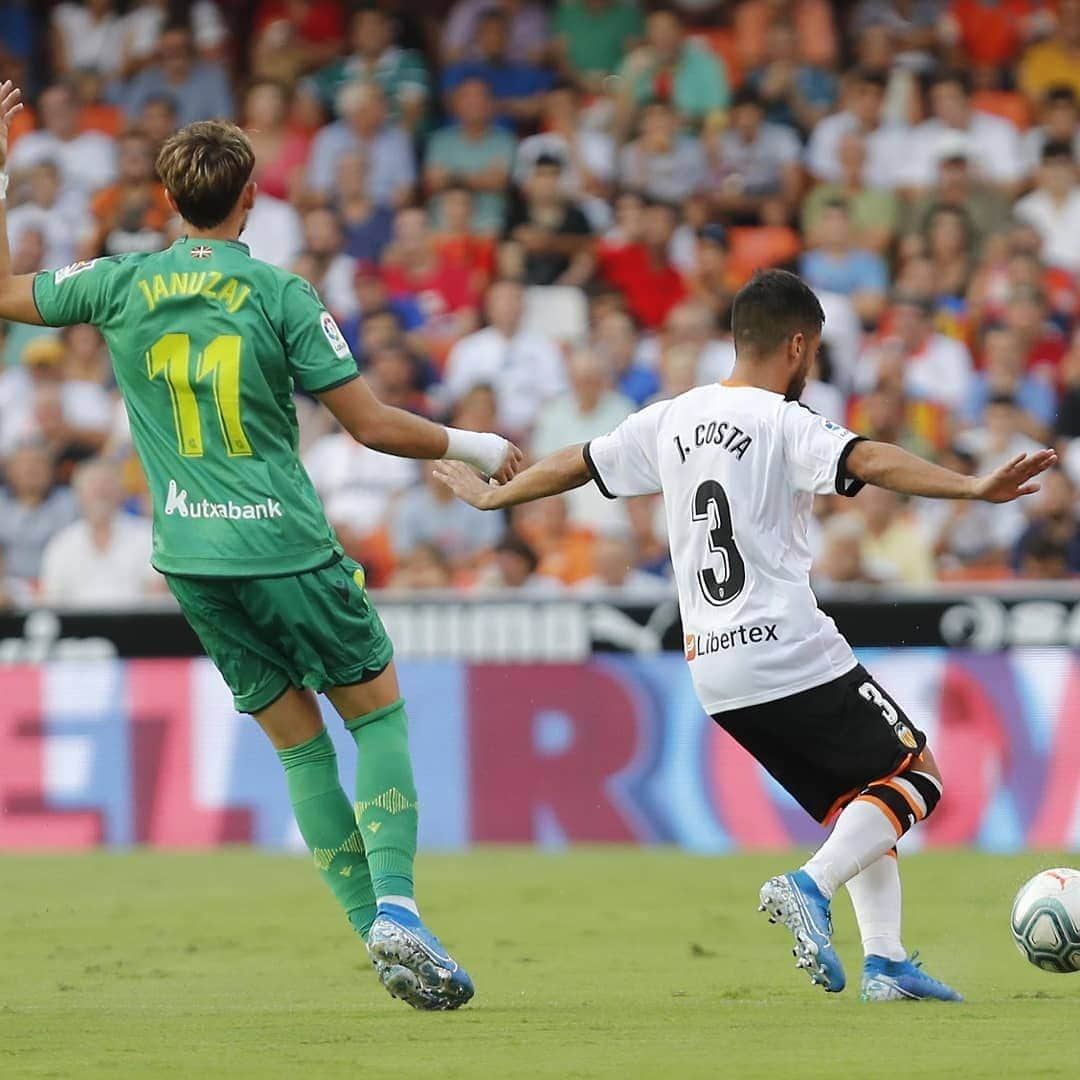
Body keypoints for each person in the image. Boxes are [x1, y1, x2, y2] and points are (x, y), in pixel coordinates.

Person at [0, 80, 524, 1010]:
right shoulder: (280, 292)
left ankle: (379, 934)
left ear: (167, 203)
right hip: (283, 545)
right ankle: (398, 906)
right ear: (252, 199)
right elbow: (367, 425)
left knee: (298, 750)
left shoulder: (117, 283)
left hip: (190, 559)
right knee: (379, 717)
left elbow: (4, 294)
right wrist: (480, 444)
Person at [436, 268, 1058, 1003]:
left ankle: (886, 963)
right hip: (787, 643)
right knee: (916, 777)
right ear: (798, 345)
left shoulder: (669, 418)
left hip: (714, 672)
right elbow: (867, 458)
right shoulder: (783, 420)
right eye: (816, 353)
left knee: (862, 798)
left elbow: (584, 460)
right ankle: (809, 886)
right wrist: (971, 487)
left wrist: (500, 493)